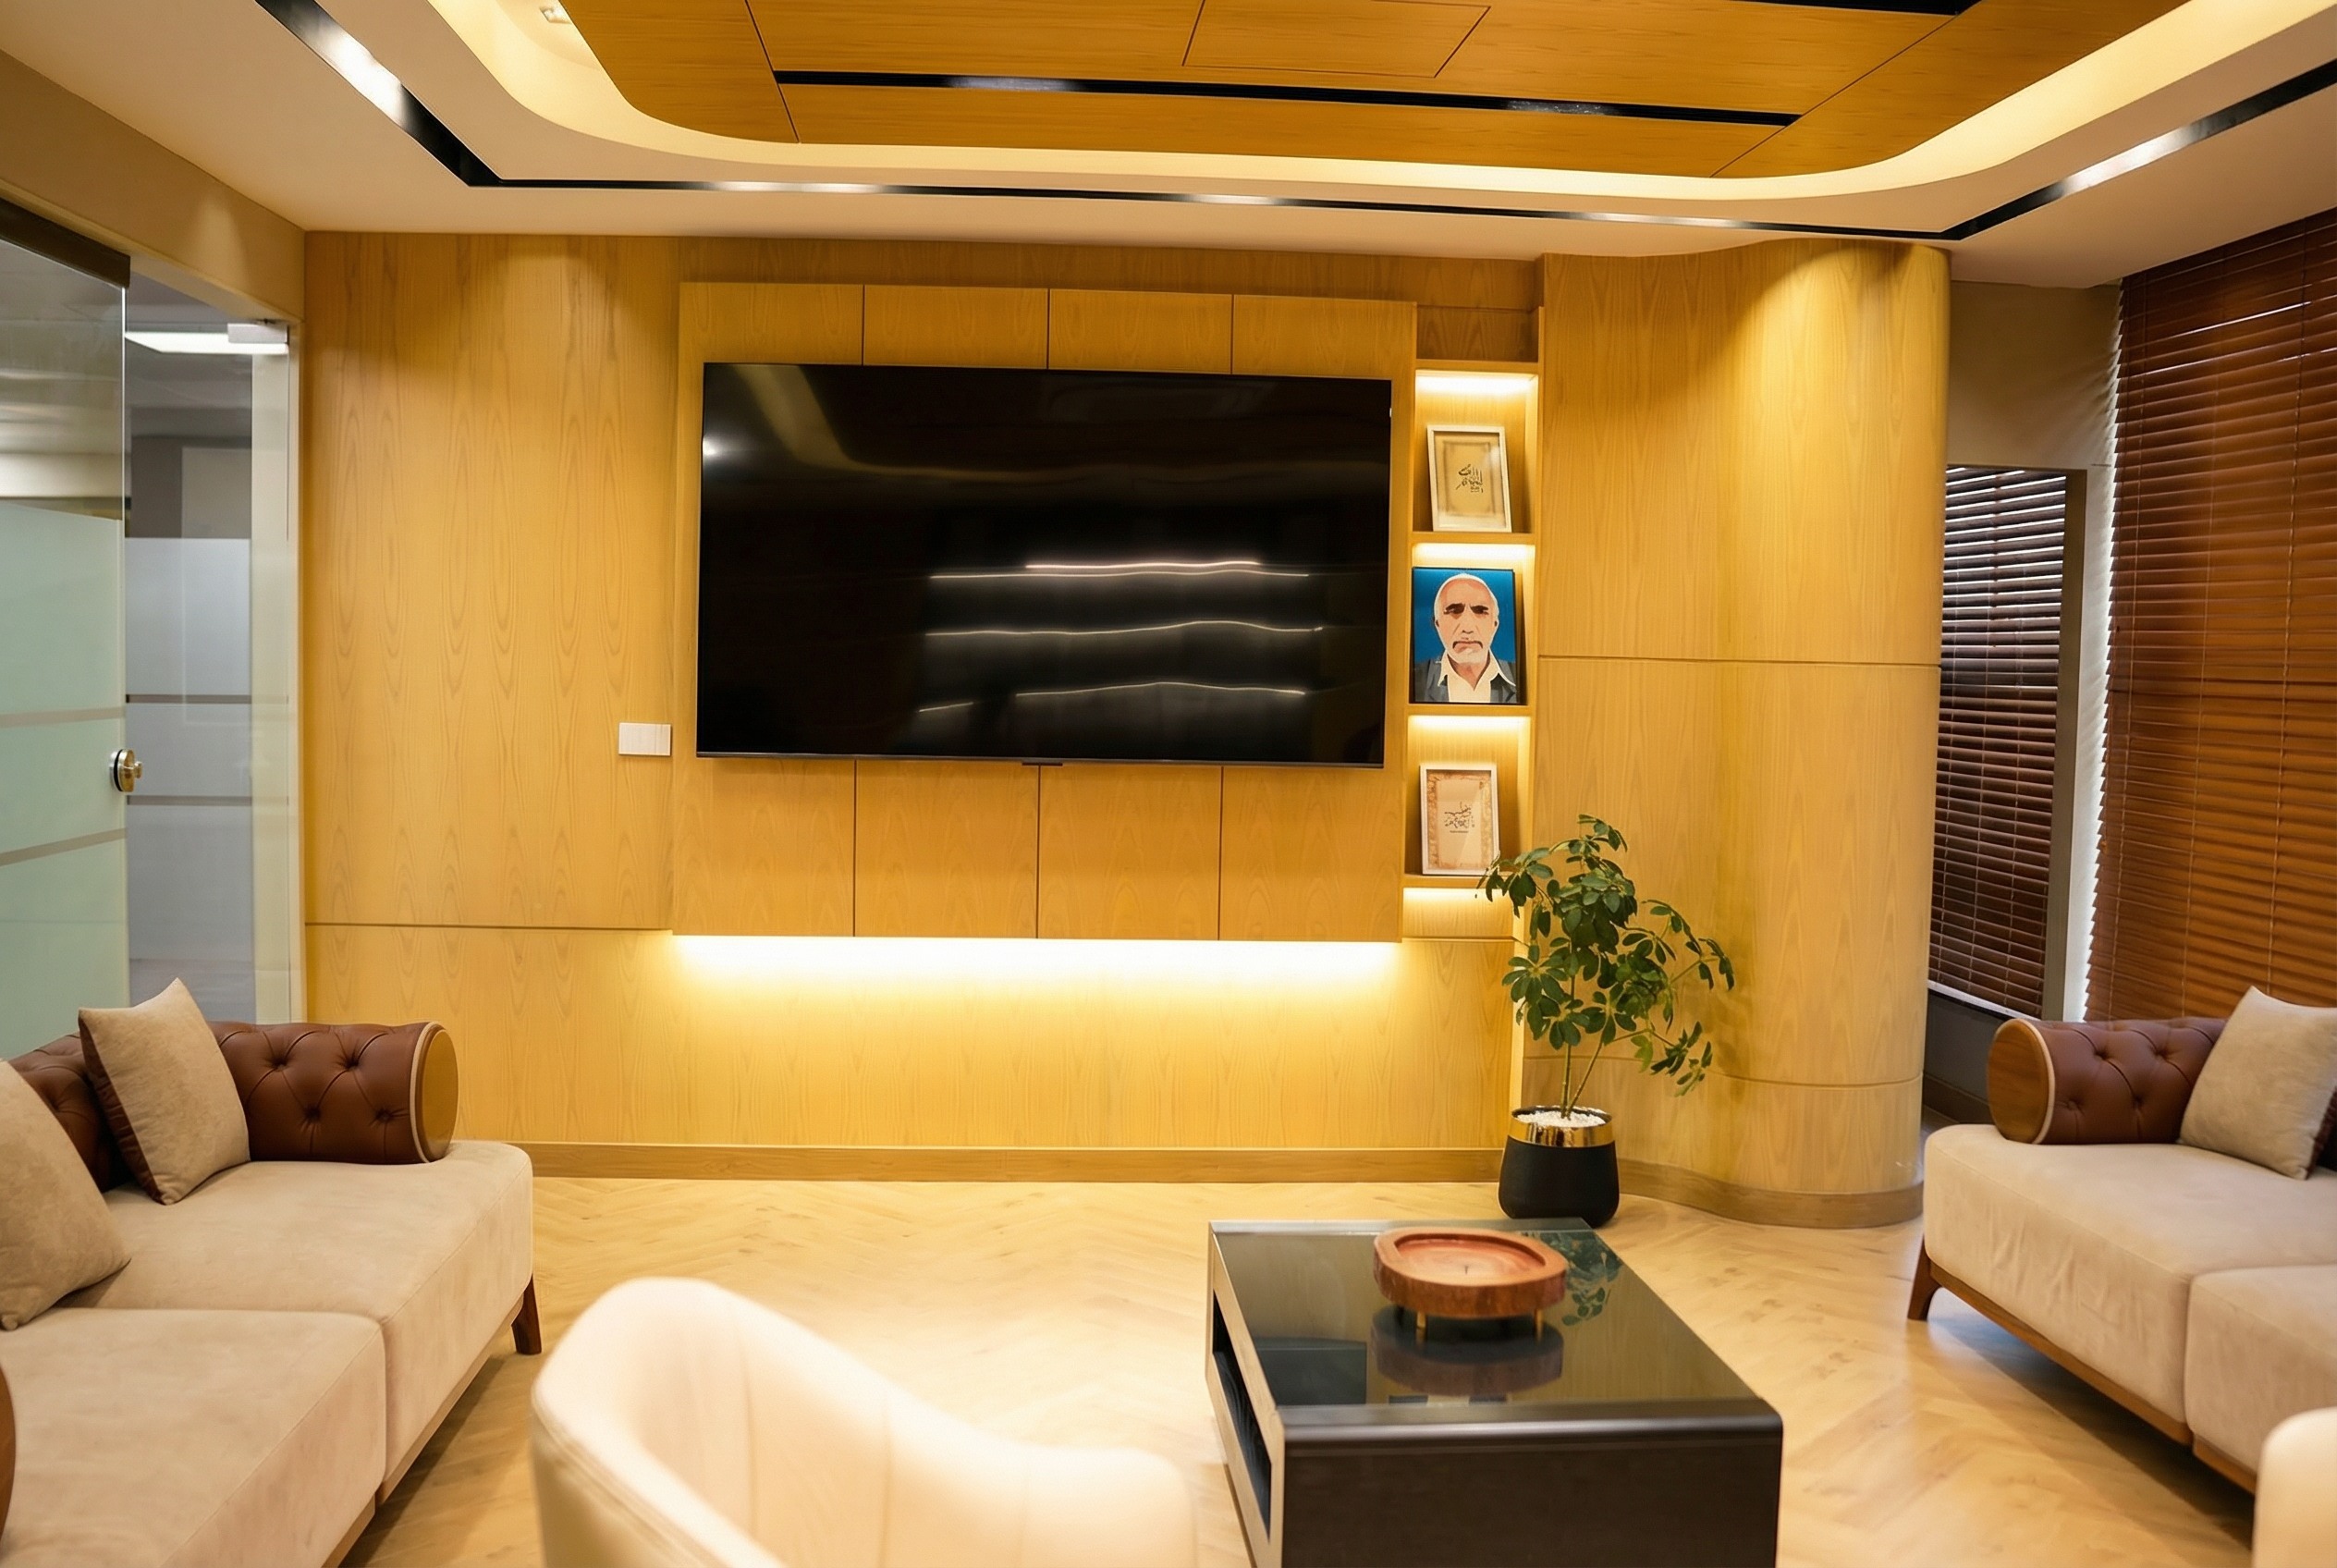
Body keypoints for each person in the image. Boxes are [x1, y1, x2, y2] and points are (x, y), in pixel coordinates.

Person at [1411, 571, 1521, 704]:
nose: (1467, 628)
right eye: (1454, 611)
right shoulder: (1414, 679)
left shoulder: (1521, 678)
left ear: (1495, 624)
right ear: (1437, 624)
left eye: (1480, 611)